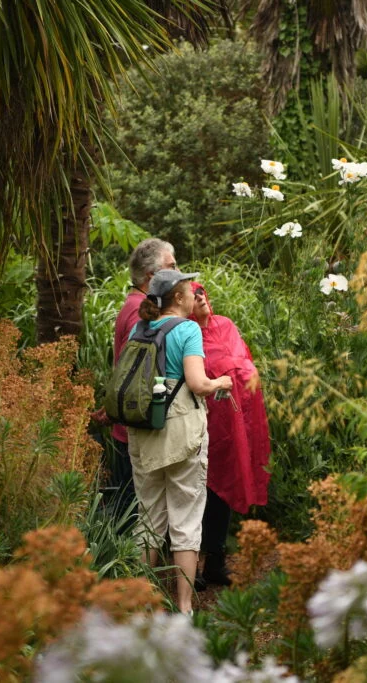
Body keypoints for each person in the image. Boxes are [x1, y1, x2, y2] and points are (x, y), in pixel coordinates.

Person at [129, 270, 232, 614]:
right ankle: (185, 608)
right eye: (189, 291)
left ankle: (140, 604)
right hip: (180, 433)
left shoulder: (139, 328)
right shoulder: (187, 329)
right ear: (177, 298)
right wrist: (223, 382)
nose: (193, 296)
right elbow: (198, 383)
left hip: (143, 432)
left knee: (148, 519)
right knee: (186, 521)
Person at [189, 282, 271, 587]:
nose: (200, 297)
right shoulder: (187, 332)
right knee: (201, 490)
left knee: (225, 490)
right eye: (193, 294)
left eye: (202, 292)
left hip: (237, 422)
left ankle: (216, 561)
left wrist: (236, 372)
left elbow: (242, 361)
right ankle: (193, 565)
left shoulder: (225, 324)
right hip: (207, 423)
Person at [107, 238, 177, 519]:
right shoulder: (142, 314)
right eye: (171, 266)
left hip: (126, 428)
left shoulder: (133, 305)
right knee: (138, 517)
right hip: (136, 432)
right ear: (153, 276)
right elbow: (137, 377)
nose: (178, 272)